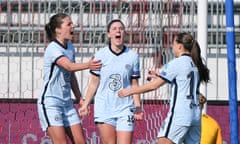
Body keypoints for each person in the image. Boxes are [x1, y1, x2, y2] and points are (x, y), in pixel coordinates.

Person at [118, 32, 210, 144]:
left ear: (180, 46)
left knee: (163, 141)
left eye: (173, 44)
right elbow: (182, 81)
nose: (172, 47)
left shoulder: (177, 63)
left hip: (180, 115)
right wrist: (159, 75)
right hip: (195, 115)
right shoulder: (194, 64)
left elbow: (154, 86)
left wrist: (129, 91)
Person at [37, 13, 102, 144]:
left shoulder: (70, 47)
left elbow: (71, 76)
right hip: (51, 103)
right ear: (58, 30)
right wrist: (88, 65)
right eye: (69, 24)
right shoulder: (52, 48)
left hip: (67, 103)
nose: (73, 26)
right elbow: (68, 66)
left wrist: (80, 99)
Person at [79, 19, 143, 144]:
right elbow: (94, 83)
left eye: (121, 28)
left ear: (124, 33)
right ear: (109, 34)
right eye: (114, 28)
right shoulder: (100, 55)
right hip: (104, 107)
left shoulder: (133, 56)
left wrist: (137, 106)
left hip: (125, 108)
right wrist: (86, 104)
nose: (118, 31)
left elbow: (134, 84)